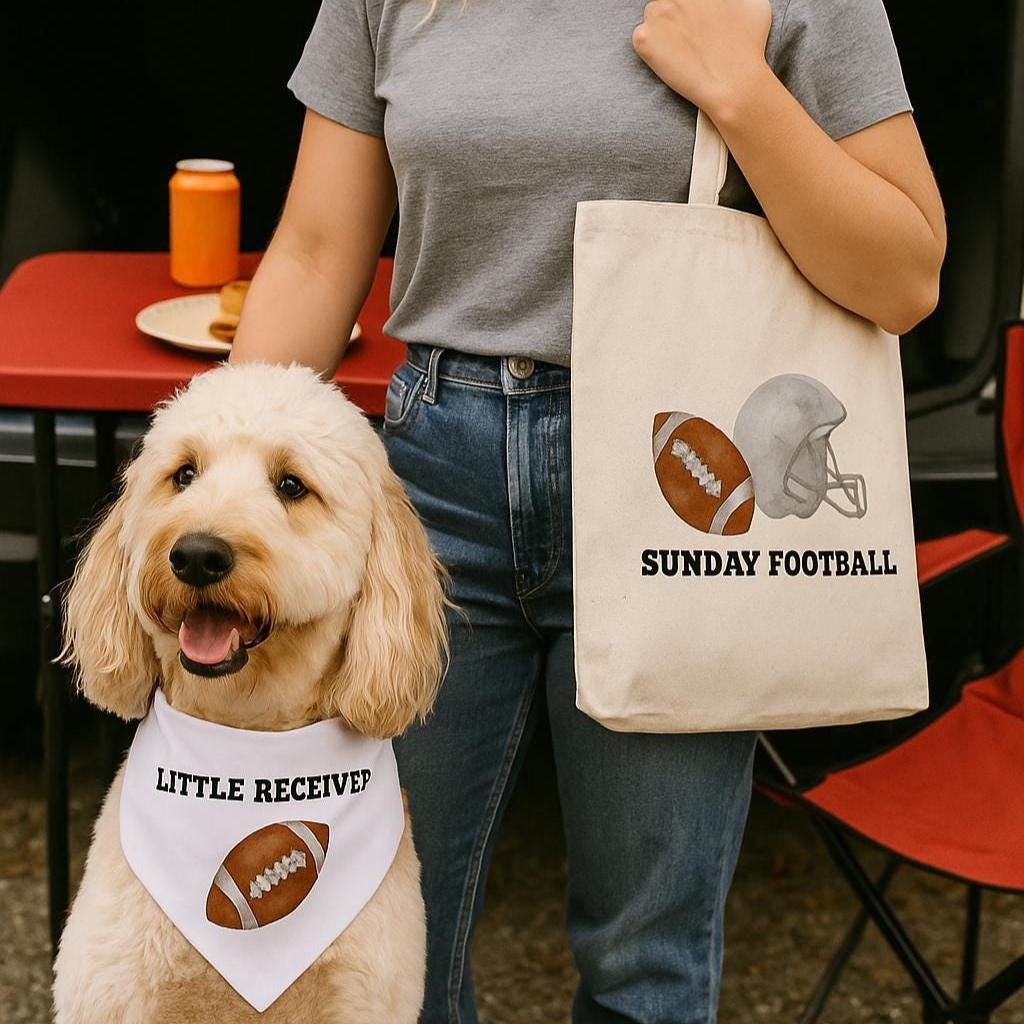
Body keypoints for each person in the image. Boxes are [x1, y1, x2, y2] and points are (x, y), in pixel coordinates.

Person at [229, 0, 946, 1019]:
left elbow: (905, 273)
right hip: (431, 479)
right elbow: (310, 254)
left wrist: (739, 92)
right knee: (372, 939)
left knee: (643, 965)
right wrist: (220, 498)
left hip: (676, 480)